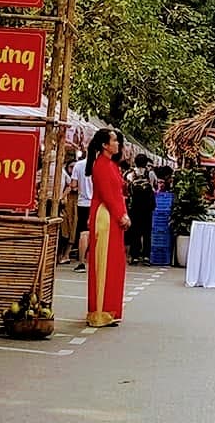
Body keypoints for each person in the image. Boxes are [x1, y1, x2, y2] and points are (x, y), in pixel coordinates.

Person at [85, 128, 131, 327]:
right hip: (105, 216)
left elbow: (117, 194)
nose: (117, 143)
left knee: (114, 264)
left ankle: (110, 310)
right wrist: (121, 215)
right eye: (114, 140)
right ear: (105, 145)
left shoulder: (112, 165)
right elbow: (107, 195)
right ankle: (100, 311)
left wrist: (123, 214)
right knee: (104, 263)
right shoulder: (101, 165)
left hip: (113, 216)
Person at [125, 153, 155, 265]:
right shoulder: (150, 174)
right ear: (146, 162)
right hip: (147, 207)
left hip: (135, 207)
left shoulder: (130, 174)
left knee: (135, 231)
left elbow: (128, 189)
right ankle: (146, 256)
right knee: (147, 232)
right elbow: (154, 187)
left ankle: (135, 255)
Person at [71, 153, 93, 272]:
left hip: (83, 203)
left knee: (83, 233)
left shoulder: (78, 165)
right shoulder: (98, 165)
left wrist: (80, 188)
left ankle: (81, 262)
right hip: (97, 204)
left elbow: (73, 184)